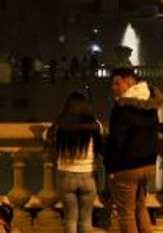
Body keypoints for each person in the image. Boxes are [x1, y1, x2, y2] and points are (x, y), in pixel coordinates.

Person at [105, 67, 163, 233]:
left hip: (127, 166)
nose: (113, 87)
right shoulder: (150, 103)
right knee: (140, 205)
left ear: (129, 81)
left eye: (116, 83)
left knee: (126, 212)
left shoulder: (122, 107)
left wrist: (111, 168)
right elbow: (152, 129)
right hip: (148, 163)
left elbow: (117, 141)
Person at [46, 92, 104, 233]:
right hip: (88, 175)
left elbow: (47, 137)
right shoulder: (96, 126)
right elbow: (102, 142)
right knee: (85, 218)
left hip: (65, 176)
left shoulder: (60, 126)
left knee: (70, 218)